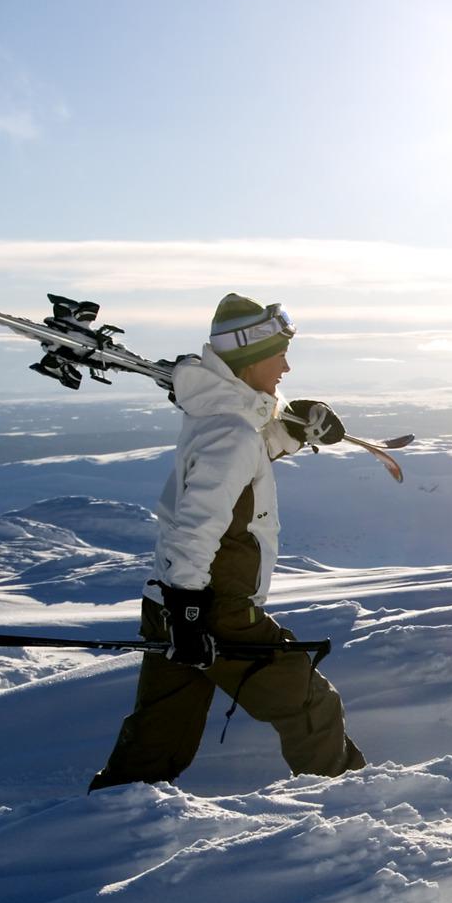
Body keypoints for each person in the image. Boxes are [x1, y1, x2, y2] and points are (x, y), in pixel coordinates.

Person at [90, 293, 364, 789]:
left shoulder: (219, 419)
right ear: (248, 357)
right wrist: (192, 611)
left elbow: (237, 463)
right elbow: (199, 523)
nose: (286, 365)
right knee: (311, 705)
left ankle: (106, 821)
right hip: (213, 608)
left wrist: (291, 432)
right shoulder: (230, 432)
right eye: (278, 353)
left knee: (157, 741)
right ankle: (350, 809)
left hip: (170, 601)